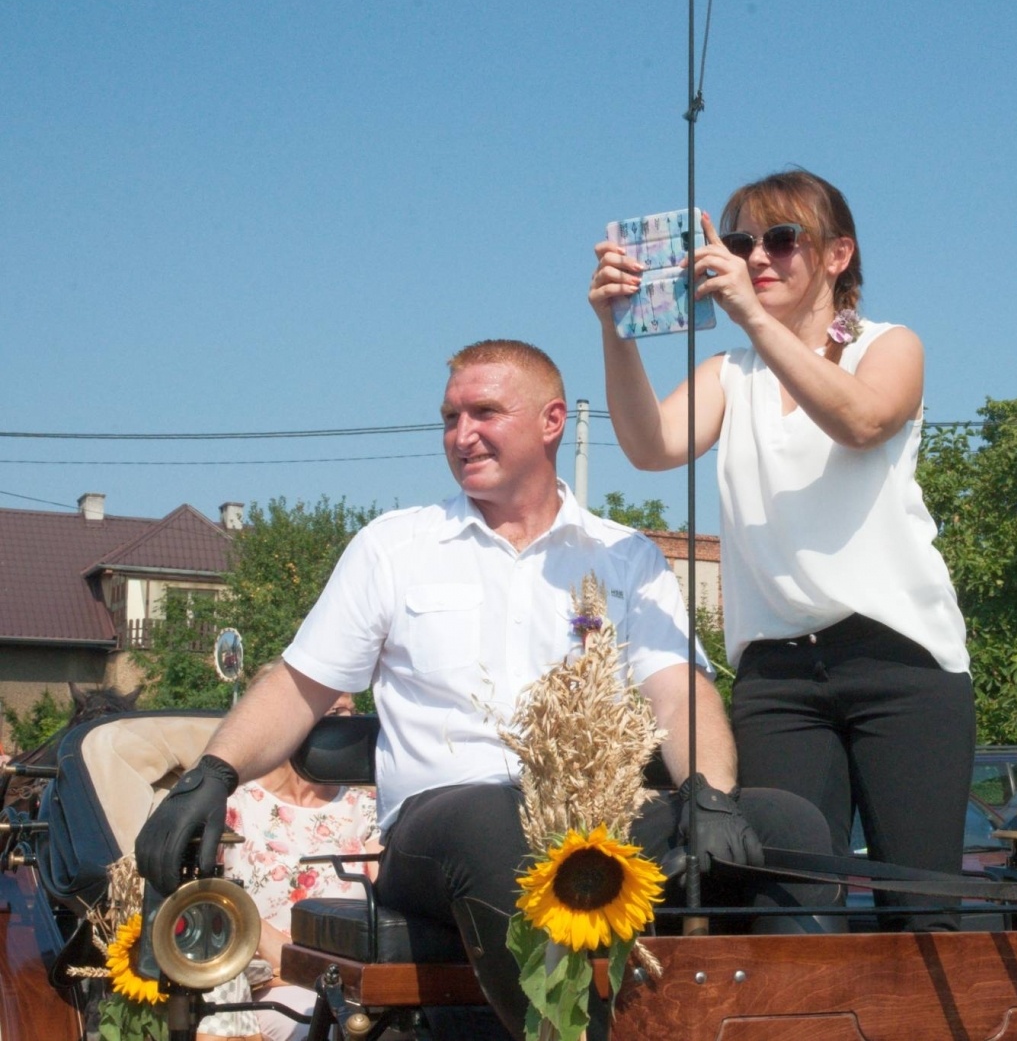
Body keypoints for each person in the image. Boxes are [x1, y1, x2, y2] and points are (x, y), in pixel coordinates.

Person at [136, 340, 836, 1038]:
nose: (460, 434)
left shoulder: (625, 555)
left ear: (552, 421)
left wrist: (708, 795)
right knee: (496, 817)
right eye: (450, 417)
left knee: (786, 824)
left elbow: (681, 693)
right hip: (440, 828)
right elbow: (297, 687)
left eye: (484, 412)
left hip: (594, 822)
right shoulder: (395, 546)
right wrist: (214, 771)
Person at [592, 169, 974, 928]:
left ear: (837, 254)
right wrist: (616, 327)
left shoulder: (887, 345)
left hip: (898, 661)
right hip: (777, 676)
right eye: (739, 242)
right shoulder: (730, 375)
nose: (756, 257)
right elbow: (648, 445)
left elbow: (864, 420)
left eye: (781, 239)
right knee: (792, 909)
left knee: (921, 913)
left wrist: (752, 321)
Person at [196, 687, 379, 1041]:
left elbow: (388, 897)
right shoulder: (233, 807)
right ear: (288, 720)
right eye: (337, 713)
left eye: (353, 713)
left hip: (357, 985)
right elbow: (212, 902)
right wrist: (296, 964)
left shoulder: (368, 810)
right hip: (264, 986)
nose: (353, 725)